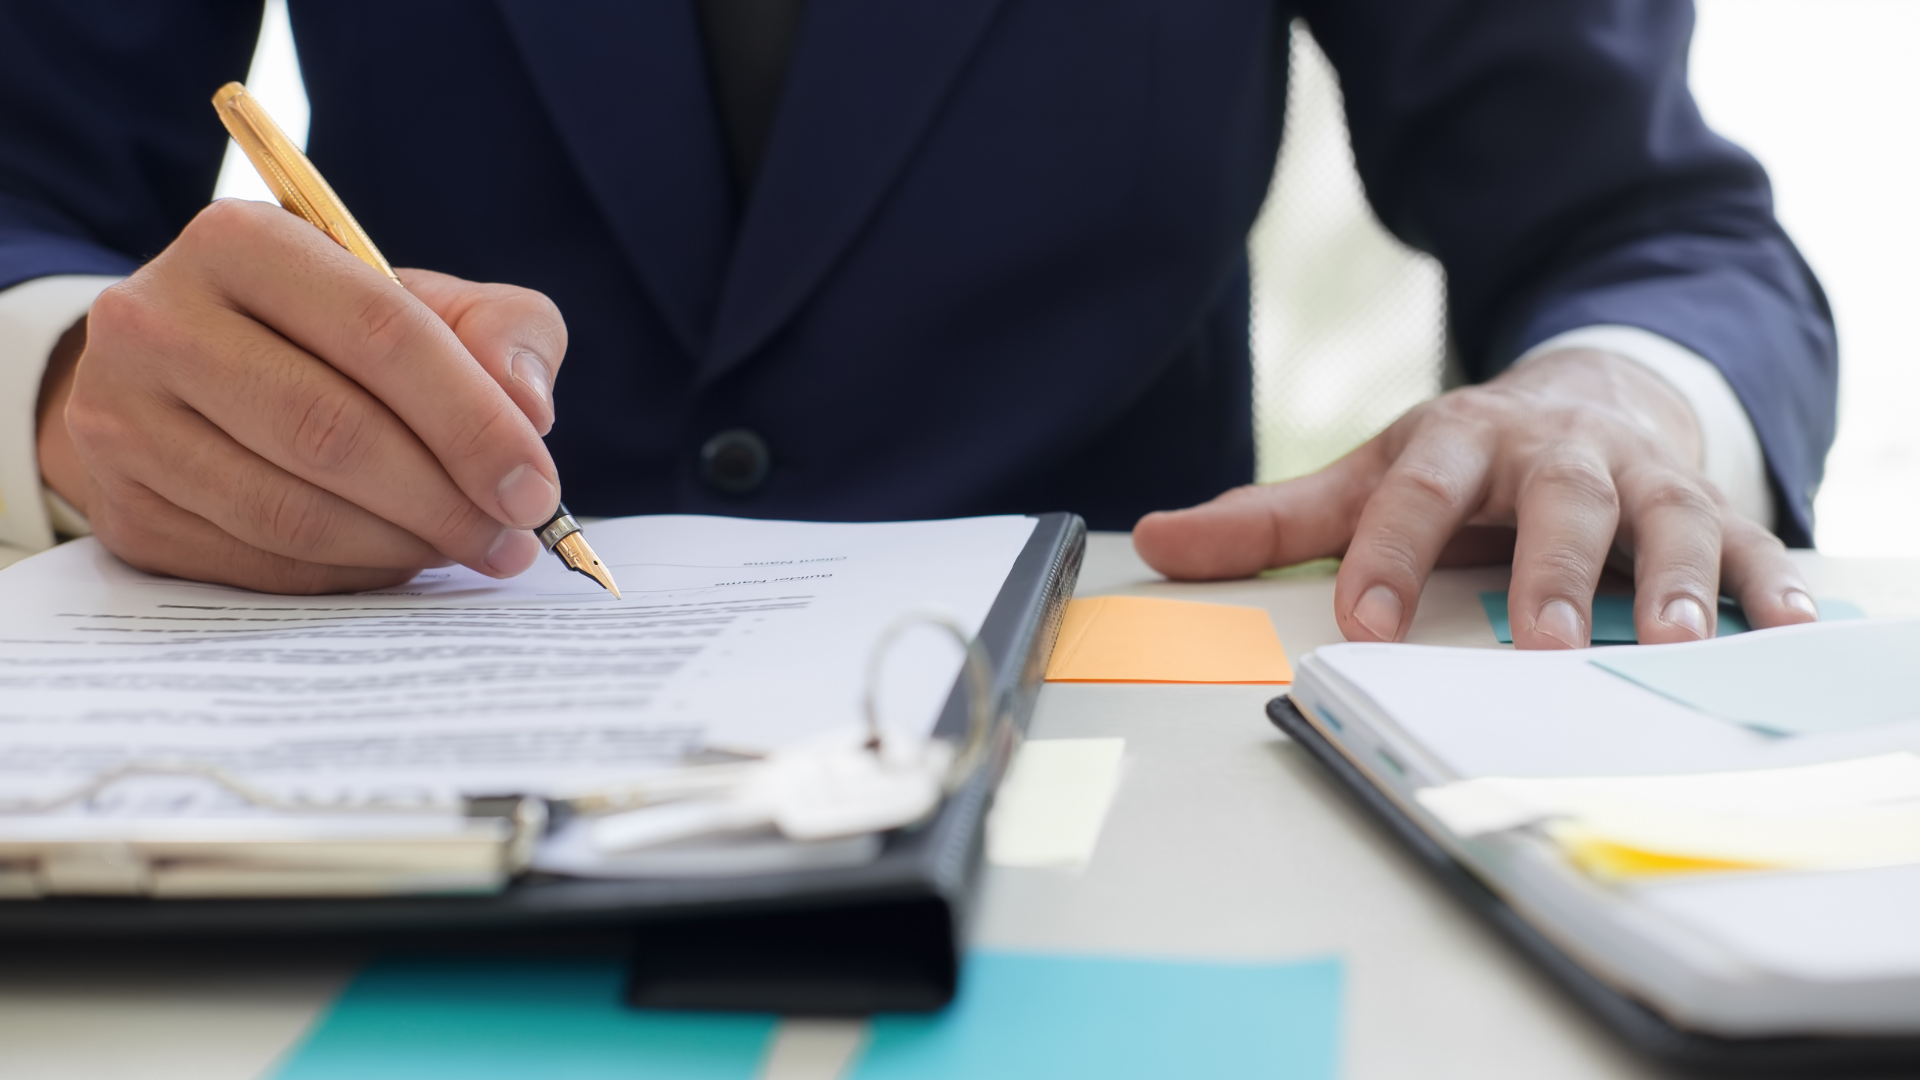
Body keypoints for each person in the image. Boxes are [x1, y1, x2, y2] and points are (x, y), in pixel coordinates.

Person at [0, 0, 1836, 650]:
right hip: (392, 740)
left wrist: (1617, 396)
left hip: (1133, 805)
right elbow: (30, 191)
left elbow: (1650, 222)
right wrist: (72, 389)